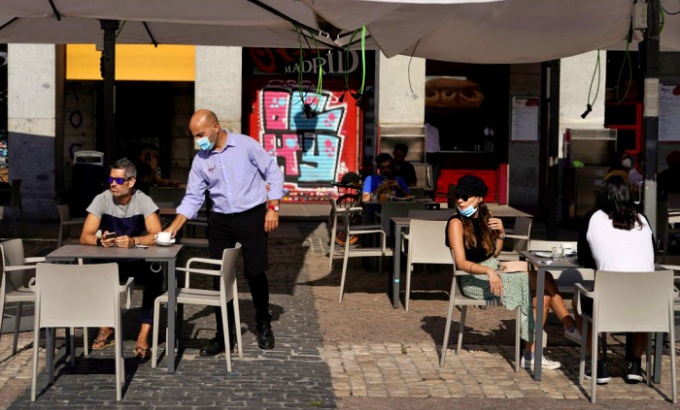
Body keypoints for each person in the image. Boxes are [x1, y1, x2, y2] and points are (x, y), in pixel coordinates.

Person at [164, 109, 285, 355]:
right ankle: (223, 335)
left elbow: (273, 172)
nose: (198, 141)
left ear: (215, 127)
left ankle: (263, 322)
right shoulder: (201, 160)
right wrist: (173, 226)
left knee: (255, 271)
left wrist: (273, 208)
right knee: (220, 276)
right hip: (220, 221)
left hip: (252, 216)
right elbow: (193, 197)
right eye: (194, 136)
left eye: (200, 134)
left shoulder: (245, 146)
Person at [445, 174, 577, 371]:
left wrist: (501, 234)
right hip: (473, 279)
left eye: (465, 196)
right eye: (458, 196)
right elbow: (461, 262)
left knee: (544, 289)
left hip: (493, 268)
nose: (460, 201)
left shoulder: (485, 217)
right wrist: (489, 272)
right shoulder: (456, 223)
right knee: (543, 283)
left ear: (479, 198)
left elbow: (494, 253)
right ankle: (569, 327)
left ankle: (533, 353)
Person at [80, 157, 163, 362]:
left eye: (118, 180)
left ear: (131, 182)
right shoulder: (102, 199)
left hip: (136, 261)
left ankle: (143, 335)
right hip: (110, 261)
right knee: (94, 272)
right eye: (111, 179)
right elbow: (85, 236)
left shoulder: (142, 200)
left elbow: (157, 234)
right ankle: (105, 326)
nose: (113, 184)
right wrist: (100, 241)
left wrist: (135, 241)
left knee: (155, 277)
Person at [576, 175, 656, 384]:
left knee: (578, 305)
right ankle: (635, 364)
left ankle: (598, 365)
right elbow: (653, 256)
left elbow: (584, 259)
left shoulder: (592, 217)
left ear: (602, 196)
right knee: (641, 302)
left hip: (608, 303)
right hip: (646, 305)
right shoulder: (642, 219)